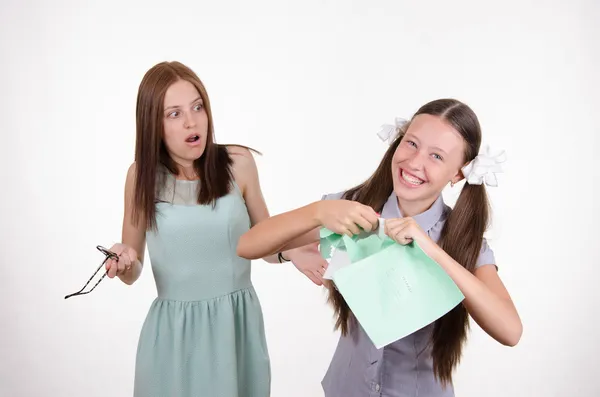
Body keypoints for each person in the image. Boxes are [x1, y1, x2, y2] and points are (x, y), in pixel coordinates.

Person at [237, 98, 523, 396]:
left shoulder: (463, 240)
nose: (414, 162)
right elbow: (249, 245)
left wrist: (432, 250)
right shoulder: (351, 207)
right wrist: (317, 212)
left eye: (437, 156)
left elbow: (510, 331)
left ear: (458, 173)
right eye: (411, 144)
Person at [103, 61, 325, 397]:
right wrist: (122, 258)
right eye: (174, 113)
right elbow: (133, 270)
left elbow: (264, 239)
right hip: (174, 337)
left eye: (197, 107)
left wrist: (292, 250)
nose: (192, 121)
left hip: (235, 329)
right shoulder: (141, 177)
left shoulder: (238, 163)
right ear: (153, 124)